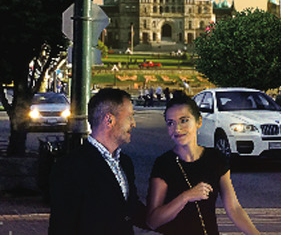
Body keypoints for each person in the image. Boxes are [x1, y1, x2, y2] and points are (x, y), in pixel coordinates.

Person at [147, 94, 264, 235]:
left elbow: (233, 208)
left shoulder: (215, 158)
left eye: (184, 120)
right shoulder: (163, 163)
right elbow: (153, 221)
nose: (177, 129)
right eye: (170, 123)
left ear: (199, 122)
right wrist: (185, 197)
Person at [49, 87, 147, 235]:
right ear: (109, 120)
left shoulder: (125, 163)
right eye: (129, 117)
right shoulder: (71, 166)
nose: (133, 123)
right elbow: (62, 226)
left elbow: (132, 210)